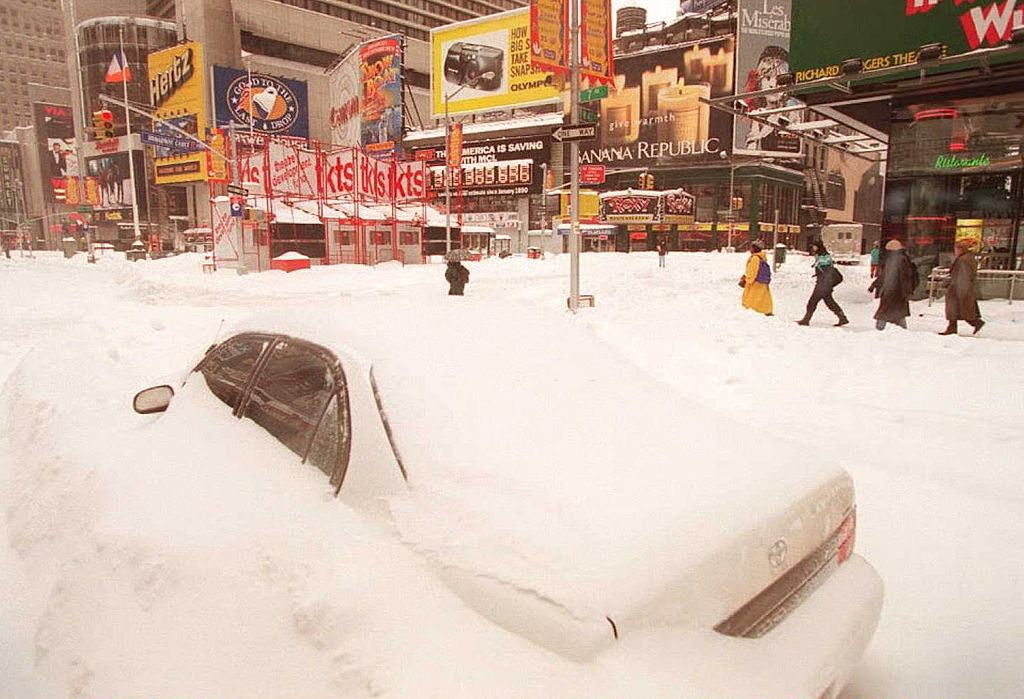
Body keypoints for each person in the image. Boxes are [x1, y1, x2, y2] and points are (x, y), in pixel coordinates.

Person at [796, 240, 848, 326]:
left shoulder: (824, 256)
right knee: (829, 302)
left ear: (818, 247)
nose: (813, 248)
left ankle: (806, 320)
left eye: (814, 246)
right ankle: (842, 318)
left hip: (823, 284)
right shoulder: (821, 255)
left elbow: (826, 270)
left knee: (813, 301)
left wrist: (824, 283)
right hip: (825, 284)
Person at [869, 239, 917, 331]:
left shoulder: (899, 260)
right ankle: (902, 331)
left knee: (885, 313)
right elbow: (885, 275)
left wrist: (906, 292)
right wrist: (874, 285)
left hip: (893, 291)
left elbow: (904, 277)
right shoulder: (898, 259)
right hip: (895, 292)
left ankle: (879, 330)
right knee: (897, 313)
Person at [940, 239, 985, 335]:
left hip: (959, 288)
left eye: (956, 249)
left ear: (961, 249)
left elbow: (963, 275)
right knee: (957, 310)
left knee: (961, 309)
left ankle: (975, 322)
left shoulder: (963, 260)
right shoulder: (967, 258)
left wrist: (960, 288)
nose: (955, 251)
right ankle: (953, 327)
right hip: (960, 287)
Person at [740, 241, 773, 315]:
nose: (750, 249)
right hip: (762, 280)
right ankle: (767, 309)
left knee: (753, 297)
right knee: (764, 297)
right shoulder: (761, 257)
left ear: (755, 248)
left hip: (756, 282)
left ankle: (754, 311)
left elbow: (752, 271)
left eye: (751, 247)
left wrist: (747, 279)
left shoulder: (755, 258)